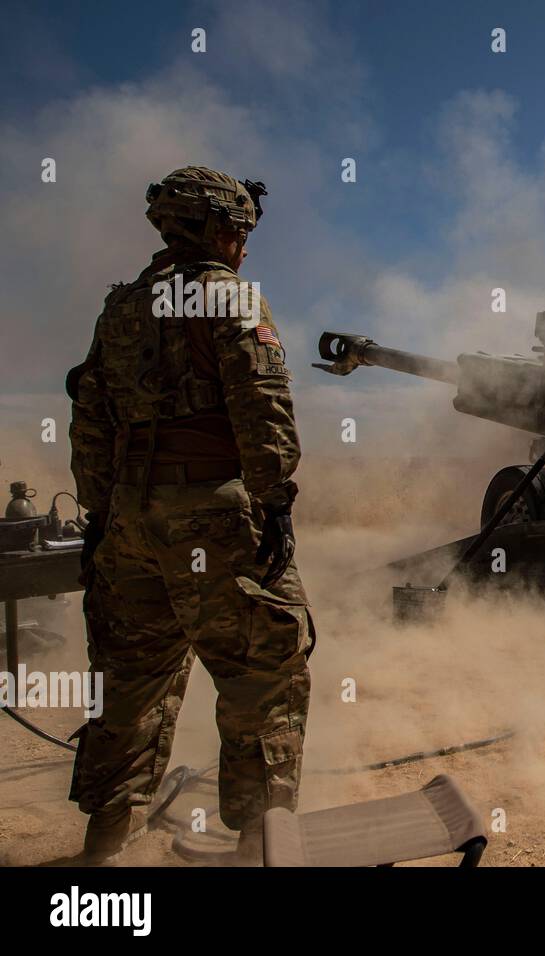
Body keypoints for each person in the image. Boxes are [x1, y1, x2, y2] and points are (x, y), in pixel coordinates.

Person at [66, 166, 313, 863]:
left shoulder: (119, 310)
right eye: (237, 230)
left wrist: (99, 516)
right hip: (214, 514)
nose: (243, 244)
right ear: (209, 228)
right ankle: (263, 841)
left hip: (129, 522)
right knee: (265, 675)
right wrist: (274, 503)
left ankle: (106, 845)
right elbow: (263, 412)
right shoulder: (230, 298)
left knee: (129, 684)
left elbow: (90, 420)